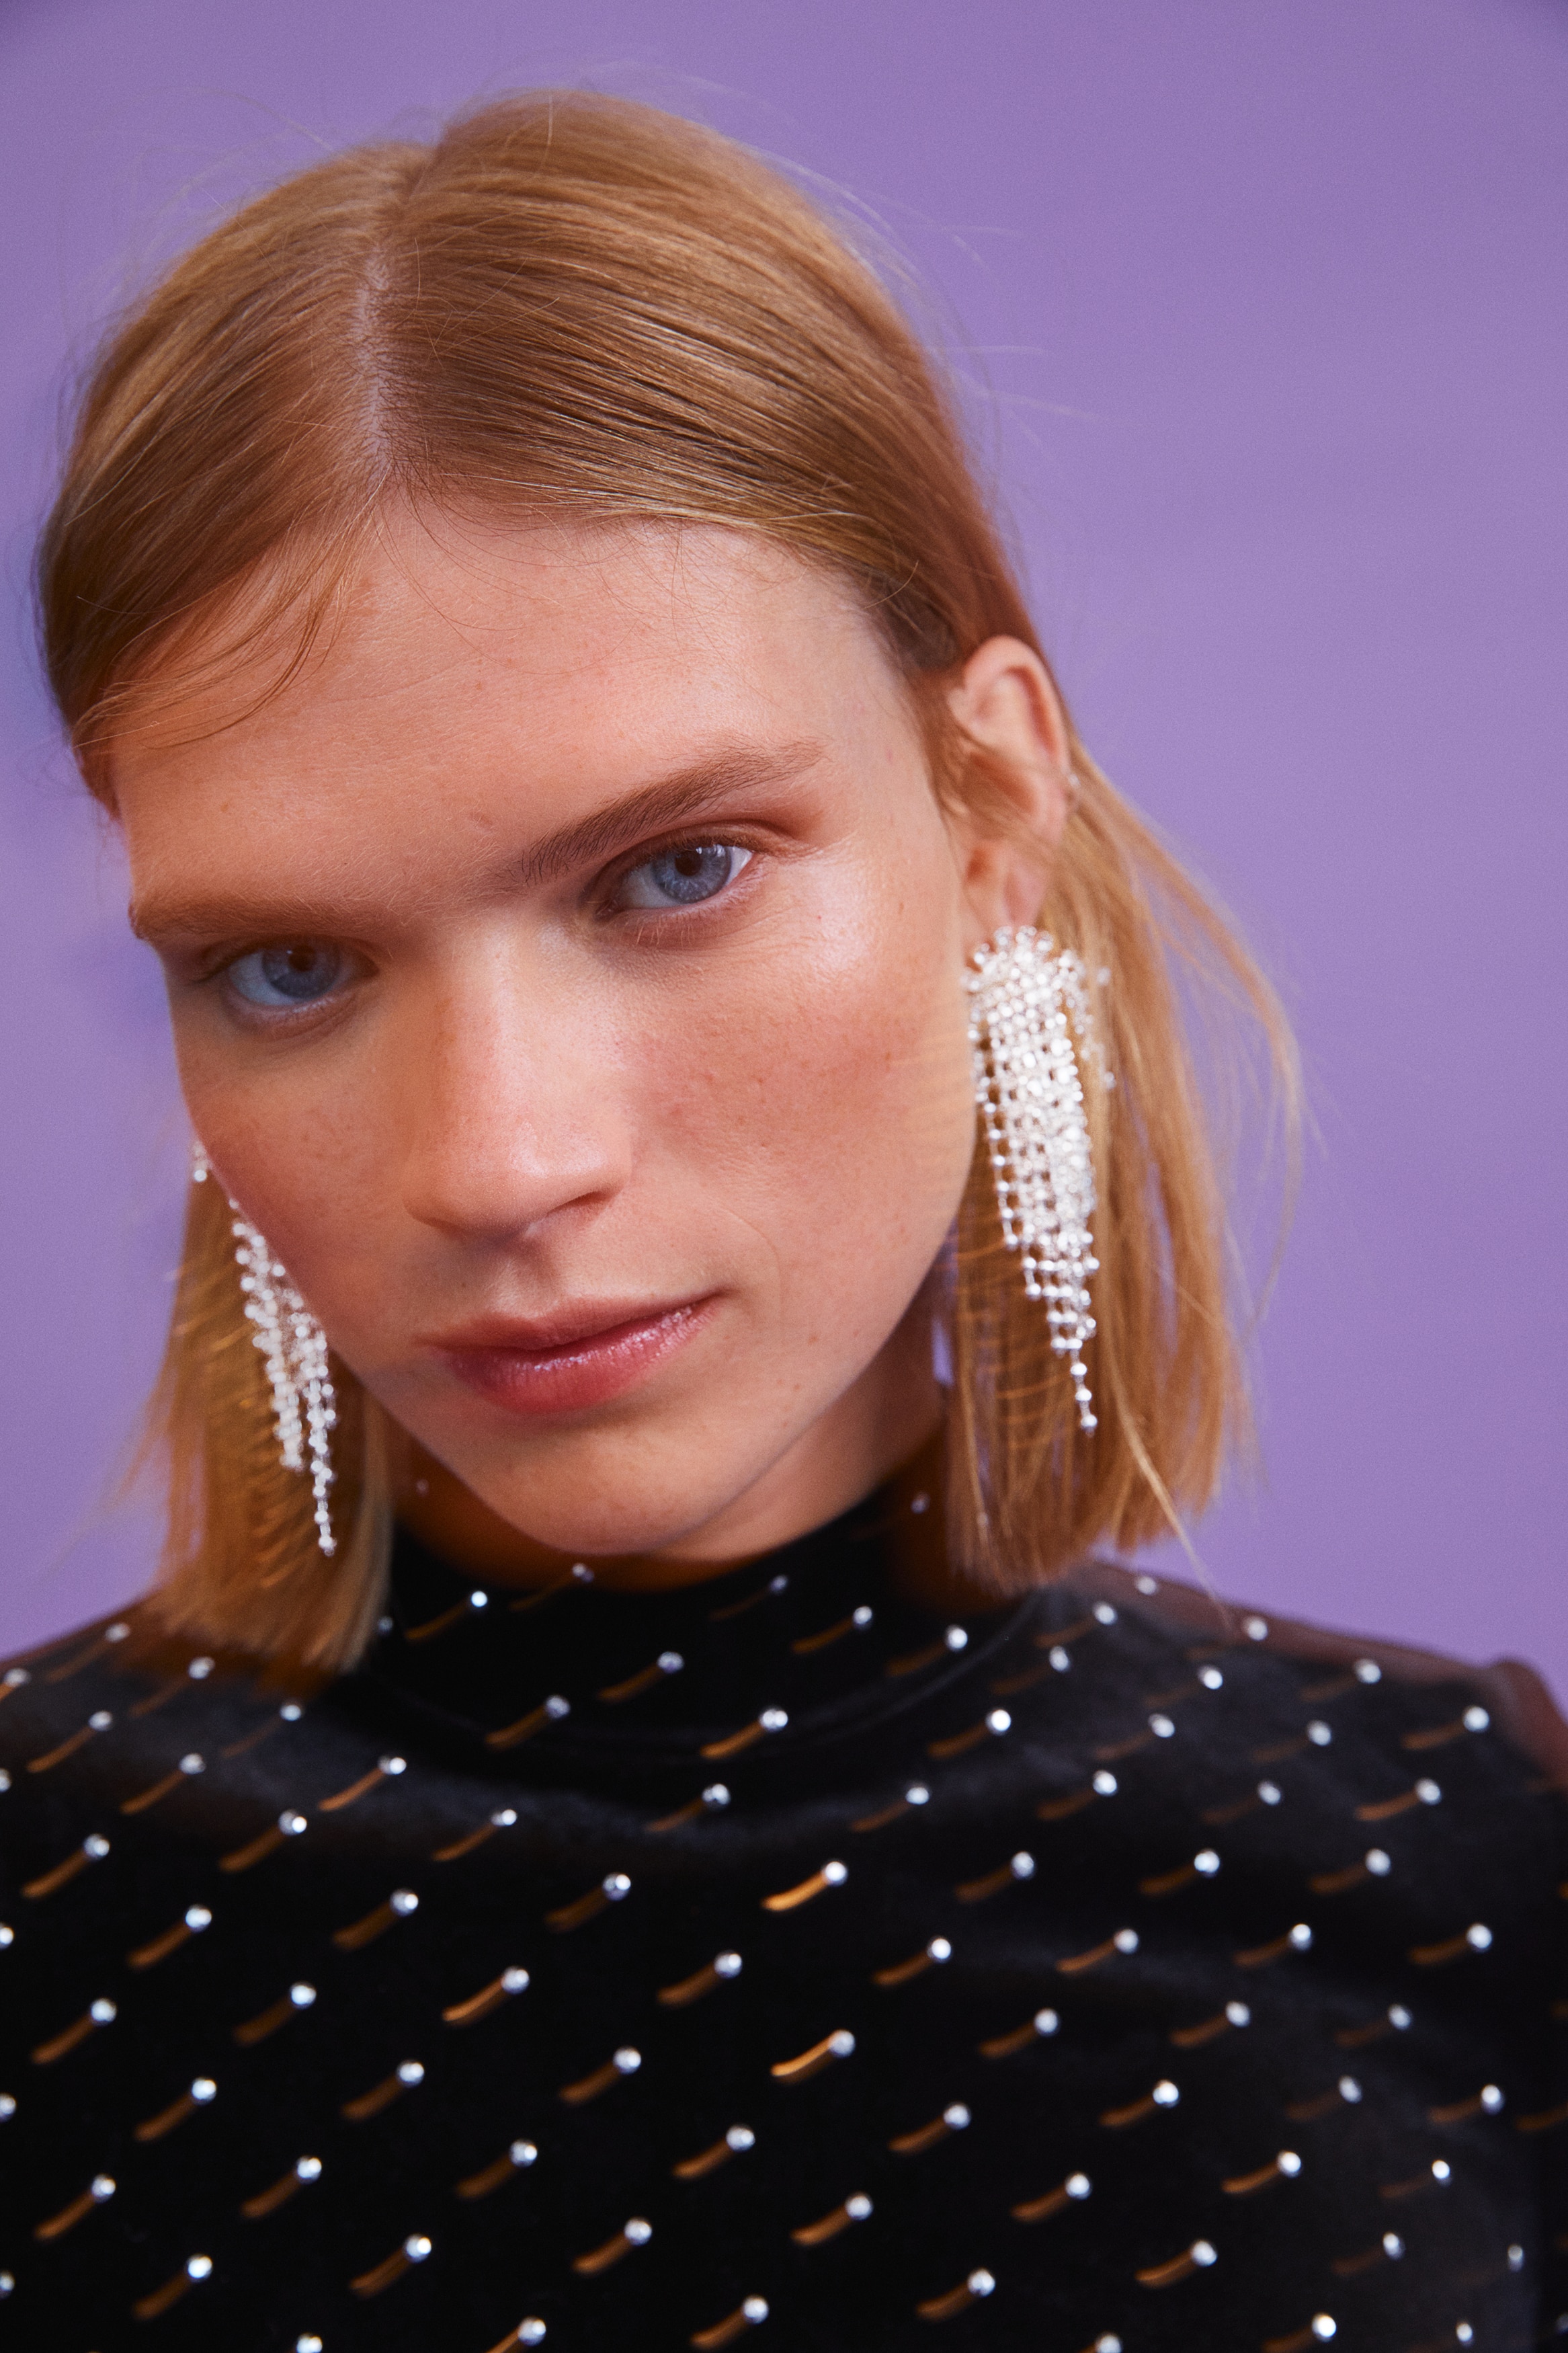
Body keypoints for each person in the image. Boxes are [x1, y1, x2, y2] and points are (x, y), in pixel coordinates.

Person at [2, 91, 1561, 2353]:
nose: (497, 1162)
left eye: (675, 871)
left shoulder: (1462, 1862)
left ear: (990, 804)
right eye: (288, 966)